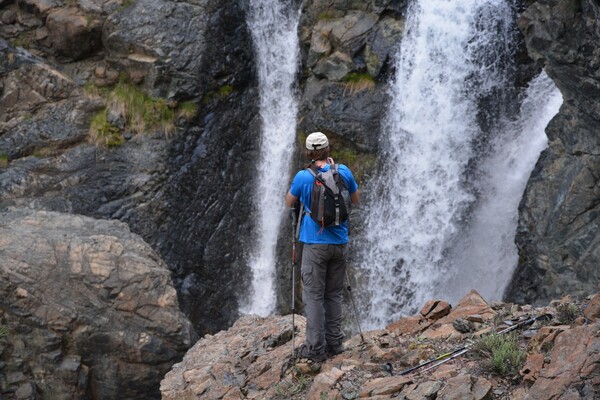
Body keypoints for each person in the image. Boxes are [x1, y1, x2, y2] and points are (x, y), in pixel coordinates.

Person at [285, 131, 360, 362]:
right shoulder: (343, 171)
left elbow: (289, 202)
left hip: (315, 246)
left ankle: (315, 350)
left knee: (314, 296)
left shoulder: (303, 177)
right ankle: (335, 343)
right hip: (340, 243)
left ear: (308, 152)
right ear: (328, 149)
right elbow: (355, 200)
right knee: (334, 294)